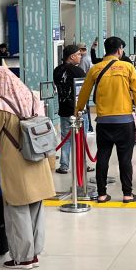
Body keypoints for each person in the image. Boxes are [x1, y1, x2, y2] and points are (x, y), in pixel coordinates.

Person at [0, 67, 54, 269]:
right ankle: (34, 253)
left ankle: (23, 258)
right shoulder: (32, 96)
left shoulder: (1, 103)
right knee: (35, 205)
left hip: (16, 161)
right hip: (37, 156)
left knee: (17, 208)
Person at [75, 37, 136, 204]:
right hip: (125, 122)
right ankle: (127, 194)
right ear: (119, 50)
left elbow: (84, 92)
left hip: (103, 122)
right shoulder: (128, 67)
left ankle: (102, 194)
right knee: (125, 159)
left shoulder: (95, 69)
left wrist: (78, 111)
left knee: (103, 157)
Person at [52, 44, 86, 175]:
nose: (80, 56)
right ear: (71, 56)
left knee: (65, 138)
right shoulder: (78, 71)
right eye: (78, 54)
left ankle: (64, 165)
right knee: (80, 139)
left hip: (64, 109)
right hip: (78, 111)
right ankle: (82, 164)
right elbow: (83, 91)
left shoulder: (57, 70)